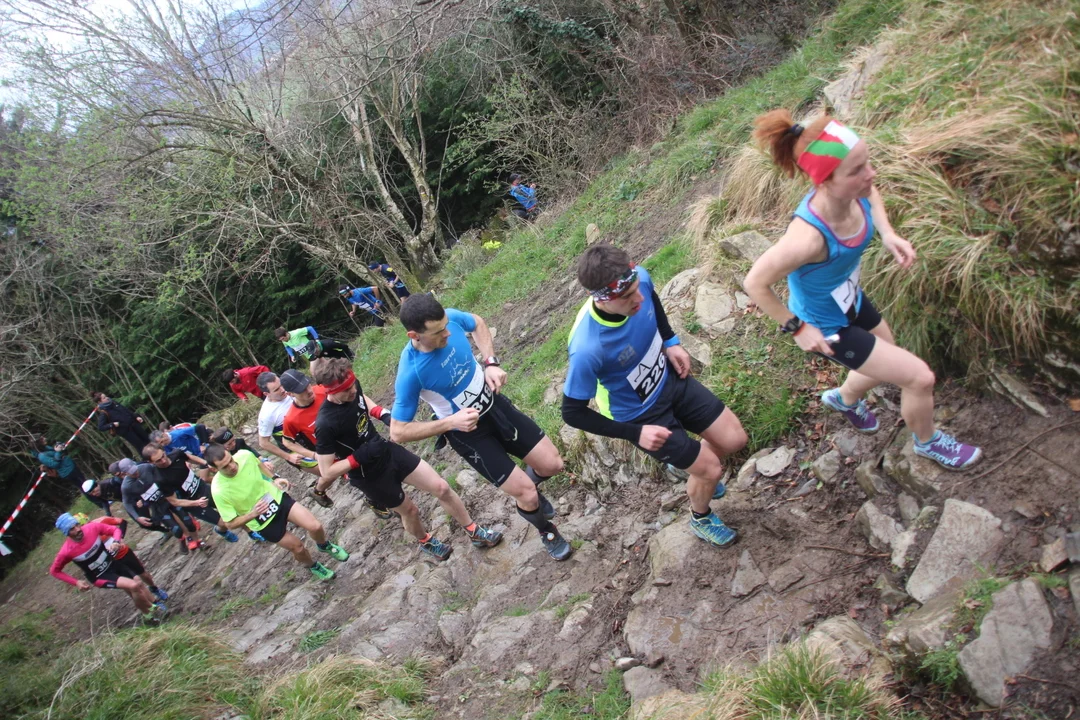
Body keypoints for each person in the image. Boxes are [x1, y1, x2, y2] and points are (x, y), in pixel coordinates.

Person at [743, 110, 982, 470]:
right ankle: (928, 442)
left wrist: (887, 234)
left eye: (866, 163)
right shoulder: (806, 239)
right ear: (824, 181)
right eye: (856, 170)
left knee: (888, 354)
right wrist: (797, 328)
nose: (870, 174)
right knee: (919, 378)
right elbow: (754, 283)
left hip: (849, 298)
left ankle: (843, 398)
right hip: (826, 326)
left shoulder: (855, 191)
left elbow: (871, 194)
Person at [562, 245, 748, 549]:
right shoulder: (587, 348)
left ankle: (688, 464)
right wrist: (635, 433)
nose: (638, 298)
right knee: (711, 470)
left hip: (669, 380)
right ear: (603, 299)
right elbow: (572, 412)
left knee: (734, 440)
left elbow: (654, 303)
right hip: (640, 416)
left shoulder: (639, 280)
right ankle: (700, 517)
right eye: (627, 297)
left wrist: (671, 341)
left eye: (637, 288)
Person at [387, 294, 573, 560]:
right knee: (527, 495)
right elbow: (398, 431)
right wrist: (450, 422)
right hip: (469, 435)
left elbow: (477, 323)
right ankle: (547, 530)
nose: (448, 333)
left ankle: (528, 487)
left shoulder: (450, 319)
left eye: (446, 325)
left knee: (552, 465)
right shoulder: (411, 373)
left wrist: (491, 363)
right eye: (438, 332)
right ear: (414, 336)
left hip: (495, 406)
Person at [310, 357, 502, 561]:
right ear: (330, 392)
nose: (353, 391)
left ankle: (474, 531)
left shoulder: (352, 387)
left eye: (353, 385)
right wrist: (359, 457)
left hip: (385, 451)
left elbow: (362, 399)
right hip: (368, 475)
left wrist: (384, 414)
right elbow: (327, 471)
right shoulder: (325, 424)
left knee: (441, 487)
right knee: (410, 511)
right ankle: (425, 541)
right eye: (346, 390)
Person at [205, 443, 349, 580]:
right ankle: (313, 566)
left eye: (230, 460)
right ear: (214, 469)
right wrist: (252, 514)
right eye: (225, 467)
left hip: (276, 499)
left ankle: (324, 545)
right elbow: (230, 524)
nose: (232, 466)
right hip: (262, 521)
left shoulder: (244, 455)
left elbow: (258, 464)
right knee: (298, 548)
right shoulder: (219, 491)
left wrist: (274, 478)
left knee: (315, 526)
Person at [279, 368, 393, 518]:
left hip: (356, 435)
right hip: (333, 454)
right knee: (361, 479)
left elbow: (357, 396)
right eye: (301, 391)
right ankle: (374, 500)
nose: (308, 391)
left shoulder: (324, 390)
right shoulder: (291, 419)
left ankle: (318, 491)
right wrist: (314, 455)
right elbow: (287, 442)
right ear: (290, 394)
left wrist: (379, 412)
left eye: (307, 385)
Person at [49, 513, 166, 623]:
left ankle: (150, 610)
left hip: (113, 563)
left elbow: (115, 529)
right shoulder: (66, 551)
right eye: (72, 529)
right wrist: (76, 582)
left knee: (138, 582)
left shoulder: (91, 528)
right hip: (100, 576)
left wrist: (116, 541)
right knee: (133, 586)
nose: (78, 529)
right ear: (66, 533)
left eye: (77, 525)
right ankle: (153, 610)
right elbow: (54, 571)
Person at [142, 443, 239, 543]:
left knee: (234, 507)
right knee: (223, 523)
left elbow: (189, 457)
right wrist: (196, 503)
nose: (163, 460)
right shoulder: (159, 479)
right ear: (151, 462)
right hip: (194, 504)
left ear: (164, 451)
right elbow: (174, 501)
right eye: (158, 461)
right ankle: (221, 530)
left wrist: (206, 463)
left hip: (203, 488)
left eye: (163, 456)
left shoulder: (176, 454)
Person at [255, 371, 324, 490]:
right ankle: (318, 491)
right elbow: (263, 443)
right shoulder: (267, 415)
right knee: (327, 472)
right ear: (266, 394)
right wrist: (288, 457)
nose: (283, 390)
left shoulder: (290, 390)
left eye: (281, 385)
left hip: (311, 432)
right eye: (276, 390)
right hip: (295, 447)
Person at [118, 458, 201, 554]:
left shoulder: (145, 467)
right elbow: (126, 503)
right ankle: (182, 539)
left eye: (135, 470)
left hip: (169, 497)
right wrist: (137, 517)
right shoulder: (126, 486)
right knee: (176, 530)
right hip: (159, 507)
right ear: (125, 473)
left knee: (189, 522)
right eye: (132, 473)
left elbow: (162, 469)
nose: (135, 473)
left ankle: (196, 541)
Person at [34, 436, 108, 515]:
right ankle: (101, 503)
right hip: (67, 472)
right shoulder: (42, 456)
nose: (44, 438)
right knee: (85, 487)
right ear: (38, 443)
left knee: (85, 484)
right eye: (42, 439)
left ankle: (102, 501)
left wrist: (61, 447)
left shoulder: (47, 448)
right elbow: (54, 464)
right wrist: (57, 452)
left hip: (70, 466)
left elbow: (60, 454)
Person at [274, 326, 354, 364]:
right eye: (281, 340)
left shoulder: (296, 333)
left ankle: (350, 353)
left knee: (334, 344)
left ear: (286, 334)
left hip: (316, 347)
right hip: (311, 356)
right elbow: (287, 347)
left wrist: (316, 338)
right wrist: (292, 355)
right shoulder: (284, 341)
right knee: (332, 355)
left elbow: (310, 328)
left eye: (283, 338)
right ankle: (348, 359)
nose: (283, 341)